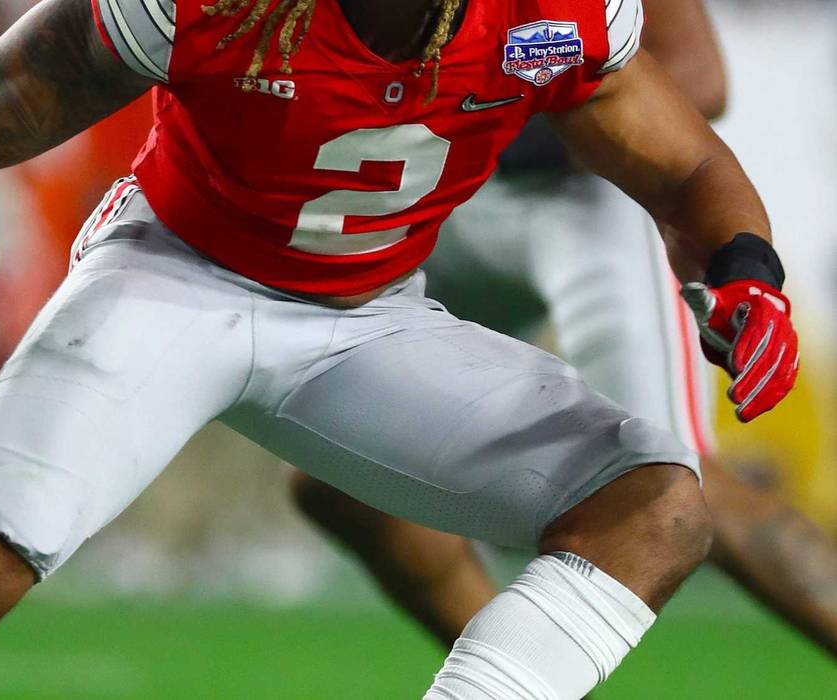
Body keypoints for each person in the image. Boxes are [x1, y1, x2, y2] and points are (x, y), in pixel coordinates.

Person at [0, 1, 800, 697]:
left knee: (658, 508)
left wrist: (744, 268)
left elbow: (685, 161)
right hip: (171, 278)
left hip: (368, 319)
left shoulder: (551, 18)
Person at [290, 0, 837, 657]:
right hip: (439, 189)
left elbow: (700, 78)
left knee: (677, 484)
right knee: (344, 481)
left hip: (581, 201)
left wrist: (518, 100)